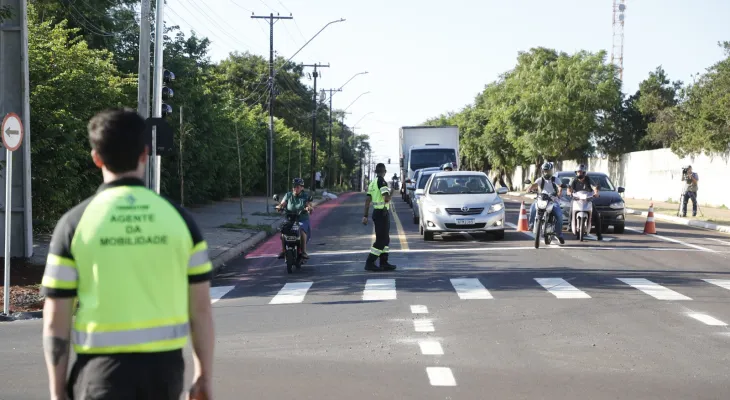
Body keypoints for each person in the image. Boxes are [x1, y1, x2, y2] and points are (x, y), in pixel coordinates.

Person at [39, 108, 215, 400]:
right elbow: (201, 310)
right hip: (164, 375)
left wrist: (57, 390)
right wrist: (204, 377)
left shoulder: (73, 224)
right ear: (144, 153)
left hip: (98, 374)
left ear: (96, 158)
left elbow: (56, 317)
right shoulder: (181, 221)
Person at [362, 163, 397, 272]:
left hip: (377, 213)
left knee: (385, 239)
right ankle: (370, 262)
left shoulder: (372, 183)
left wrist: (365, 215)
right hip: (382, 213)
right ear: (384, 171)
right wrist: (392, 193)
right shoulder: (382, 182)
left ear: (376, 172)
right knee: (382, 240)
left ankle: (384, 262)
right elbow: (386, 198)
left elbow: (368, 201)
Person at [526, 161, 565, 244]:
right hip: (541, 199)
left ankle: (559, 234)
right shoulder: (540, 180)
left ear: (552, 171)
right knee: (532, 207)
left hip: (553, 201)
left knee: (559, 215)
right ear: (542, 171)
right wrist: (529, 188)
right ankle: (531, 225)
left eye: (548, 171)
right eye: (545, 171)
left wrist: (559, 193)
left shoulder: (556, 179)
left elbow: (560, 187)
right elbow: (535, 185)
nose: (547, 173)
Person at [276, 178, 313, 259]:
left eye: (298, 187)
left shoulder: (305, 196)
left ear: (302, 187)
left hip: (302, 219)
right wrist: (279, 207)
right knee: (283, 232)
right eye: (294, 186)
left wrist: (308, 208)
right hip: (290, 219)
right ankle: (283, 251)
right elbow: (282, 204)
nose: (295, 188)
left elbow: (309, 205)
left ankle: (303, 252)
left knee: (302, 230)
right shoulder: (288, 195)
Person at [567, 164, 603, 241]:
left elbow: (594, 187)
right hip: (577, 199)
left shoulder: (588, 179)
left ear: (584, 173)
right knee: (571, 209)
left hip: (587, 199)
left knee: (596, 216)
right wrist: (570, 193)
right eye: (578, 172)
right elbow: (569, 189)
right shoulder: (574, 180)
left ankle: (599, 234)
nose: (579, 174)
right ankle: (569, 225)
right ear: (576, 173)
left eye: (581, 172)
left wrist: (596, 193)